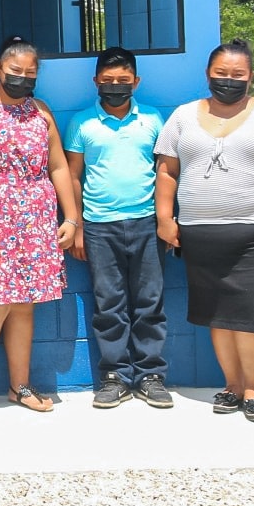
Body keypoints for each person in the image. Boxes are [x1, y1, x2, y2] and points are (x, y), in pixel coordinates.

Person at [154, 41, 254, 424]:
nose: (228, 80)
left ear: (250, 76)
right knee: (218, 314)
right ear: (208, 74)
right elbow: (167, 170)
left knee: (253, 315)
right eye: (221, 73)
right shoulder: (183, 116)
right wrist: (164, 218)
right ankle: (232, 385)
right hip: (199, 234)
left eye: (237, 75)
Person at [0, 38, 83, 419]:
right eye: (15, 72)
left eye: (30, 73)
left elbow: (58, 166)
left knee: (24, 306)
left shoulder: (40, 112)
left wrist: (70, 218)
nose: (22, 79)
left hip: (37, 220)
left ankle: (19, 386)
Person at [65, 48, 172, 410]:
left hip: (146, 224)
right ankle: (115, 376)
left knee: (149, 302)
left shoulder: (155, 120)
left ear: (136, 82)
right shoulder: (82, 124)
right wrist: (77, 226)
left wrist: (165, 220)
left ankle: (150, 375)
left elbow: (166, 172)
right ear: (96, 82)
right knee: (109, 304)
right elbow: (73, 177)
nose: (115, 87)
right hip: (99, 227)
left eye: (123, 81)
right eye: (107, 81)